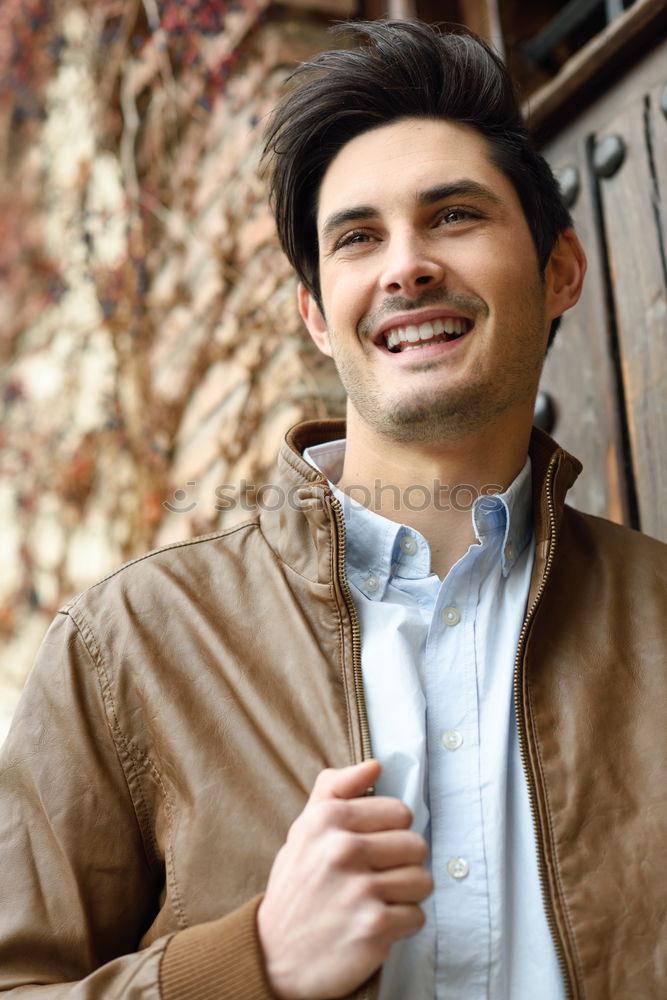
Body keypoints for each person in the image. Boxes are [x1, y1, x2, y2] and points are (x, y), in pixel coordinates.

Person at [1, 17, 666, 1000]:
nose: (405, 265)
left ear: (560, 268)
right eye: (357, 237)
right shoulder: (128, 645)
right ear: (317, 314)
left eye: (454, 216)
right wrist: (249, 962)